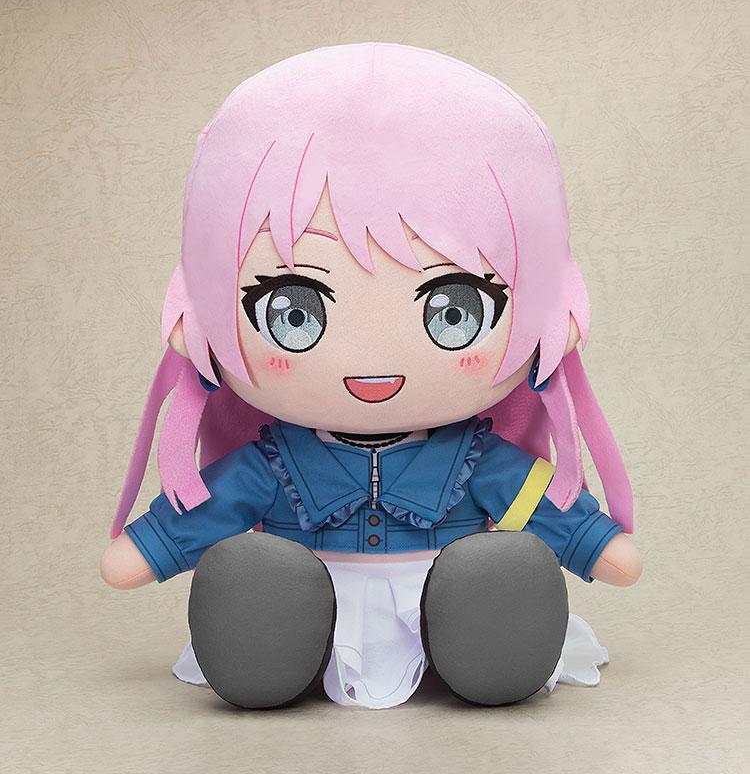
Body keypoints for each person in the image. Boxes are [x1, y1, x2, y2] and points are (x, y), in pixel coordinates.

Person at [100, 43, 642, 710]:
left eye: (456, 311)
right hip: (307, 606)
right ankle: (265, 636)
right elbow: (209, 506)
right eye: (294, 313)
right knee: (256, 577)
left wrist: (592, 543)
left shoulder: (479, 461)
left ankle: (490, 629)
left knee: (496, 571)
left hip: (450, 601)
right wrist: (152, 546)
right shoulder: (272, 464)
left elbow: (544, 505)